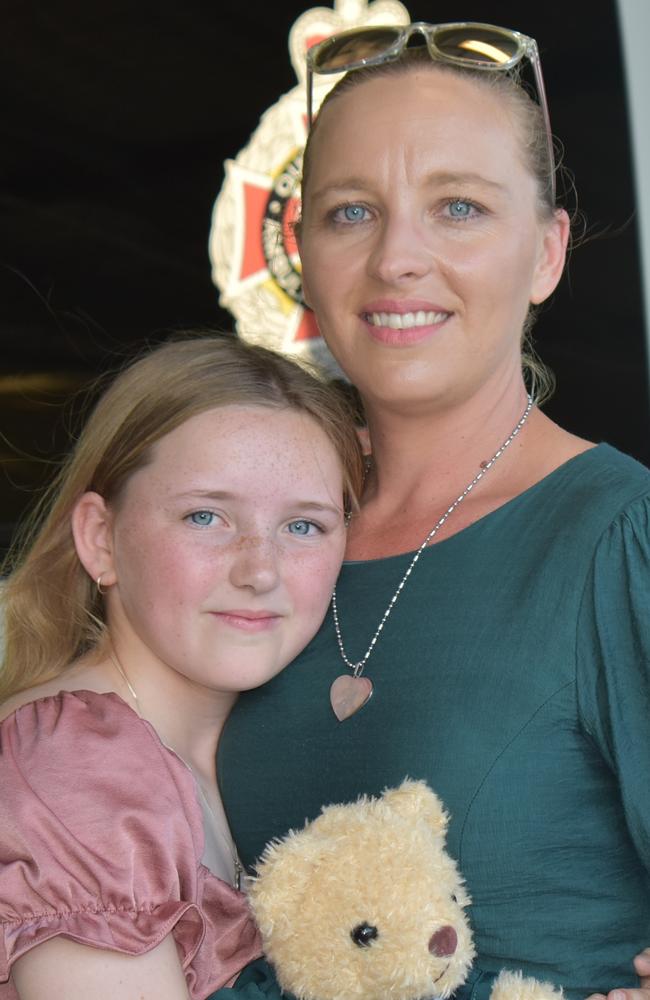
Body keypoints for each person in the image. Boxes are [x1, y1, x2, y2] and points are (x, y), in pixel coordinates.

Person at [215, 22, 650, 1000]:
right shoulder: (258, 545)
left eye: (455, 206)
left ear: (543, 255)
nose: (396, 259)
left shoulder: (617, 537)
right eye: (349, 212)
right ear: (300, 255)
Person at [0, 334, 364, 1000]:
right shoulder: (78, 764)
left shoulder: (237, 752)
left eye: (304, 526)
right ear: (99, 539)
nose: (259, 570)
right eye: (206, 516)